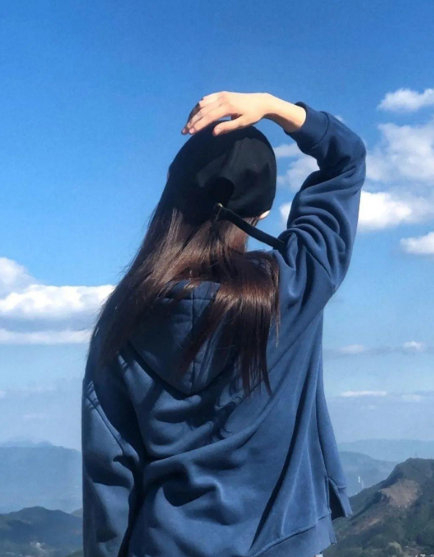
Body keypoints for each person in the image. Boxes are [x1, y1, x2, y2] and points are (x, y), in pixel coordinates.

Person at [81, 91, 366, 557]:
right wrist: (273, 106)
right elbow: (346, 159)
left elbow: (109, 470)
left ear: (172, 194)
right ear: (264, 209)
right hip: (278, 543)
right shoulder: (292, 287)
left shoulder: (125, 315)